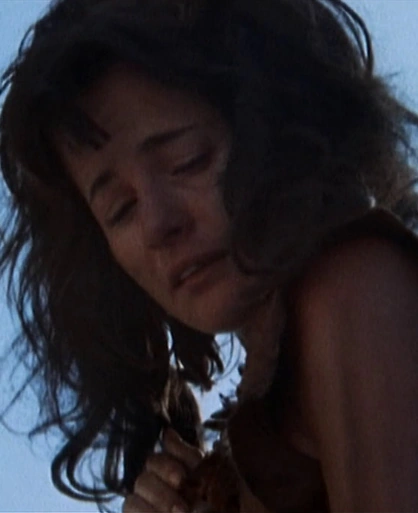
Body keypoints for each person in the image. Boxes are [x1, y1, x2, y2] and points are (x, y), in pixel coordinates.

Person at [1, 0, 418, 511]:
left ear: (276, 130)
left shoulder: (354, 291)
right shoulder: (259, 408)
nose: (158, 224)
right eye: (120, 209)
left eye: (188, 161)